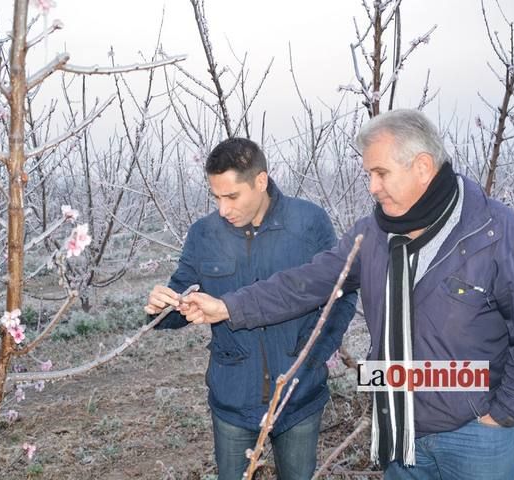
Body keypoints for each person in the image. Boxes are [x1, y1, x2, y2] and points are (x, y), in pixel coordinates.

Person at [179, 110, 514, 480]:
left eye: (380, 173)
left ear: (421, 167)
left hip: (475, 439)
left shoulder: (497, 236)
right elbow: (306, 282)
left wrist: (500, 416)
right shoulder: (374, 235)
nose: (371, 186)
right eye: (369, 174)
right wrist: (228, 305)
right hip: (399, 434)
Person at [144, 137, 357, 479]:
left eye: (232, 196)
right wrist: (161, 307)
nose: (223, 209)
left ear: (261, 181)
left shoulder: (308, 223)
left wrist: (314, 355)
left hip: (298, 397)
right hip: (233, 400)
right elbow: (181, 295)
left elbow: (342, 293)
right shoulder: (204, 235)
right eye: (216, 197)